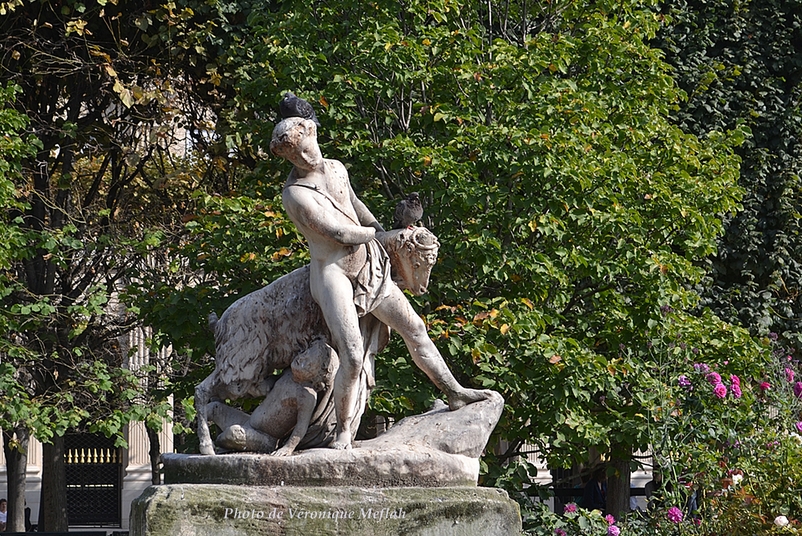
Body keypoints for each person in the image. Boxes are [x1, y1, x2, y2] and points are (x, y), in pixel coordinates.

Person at [271, 116, 492, 449]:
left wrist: (377, 227)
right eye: (296, 156)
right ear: (288, 159)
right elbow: (339, 232)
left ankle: (455, 392)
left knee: (415, 328)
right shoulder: (295, 195)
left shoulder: (335, 168)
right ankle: (344, 431)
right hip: (333, 273)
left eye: (307, 148)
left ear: (314, 137)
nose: (306, 157)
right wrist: (384, 236)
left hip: (368, 264)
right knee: (353, 356)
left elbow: (355, 204)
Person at [209, 338, 338, 455]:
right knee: (213, 408)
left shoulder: (306, 396)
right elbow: (266, 387)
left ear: (316, 378)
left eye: (308, 364)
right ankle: (217, 442)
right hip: (248, 422)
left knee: (234, 434)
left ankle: (218, 445)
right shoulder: (287, 374)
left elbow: (301, 427)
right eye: (305, 354)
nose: (301, 359)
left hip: (264, 438)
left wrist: (288, 448)